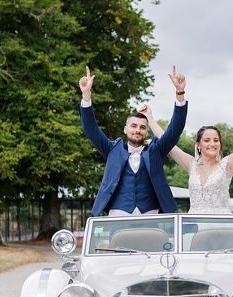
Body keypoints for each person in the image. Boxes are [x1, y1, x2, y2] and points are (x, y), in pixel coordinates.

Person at [79, 65, 188, 216]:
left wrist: (180, 93)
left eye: (142, 127)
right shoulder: (112, 149)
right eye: (134, 126)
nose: (138, 130)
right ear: (125, 129)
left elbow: (175, 129)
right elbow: (91, 129)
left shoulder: (156, 150)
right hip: (118, 211)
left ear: (146, 131)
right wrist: (86, 96)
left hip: (150, 212)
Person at [140, 102, 233, 213]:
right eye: (207, 140)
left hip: (221, 223)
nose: (212, 144)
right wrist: (150, 118)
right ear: (199, 145)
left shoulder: (228, 165)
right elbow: (167, 142)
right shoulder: (191, 164)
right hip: (194, 224)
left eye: (216, 140)